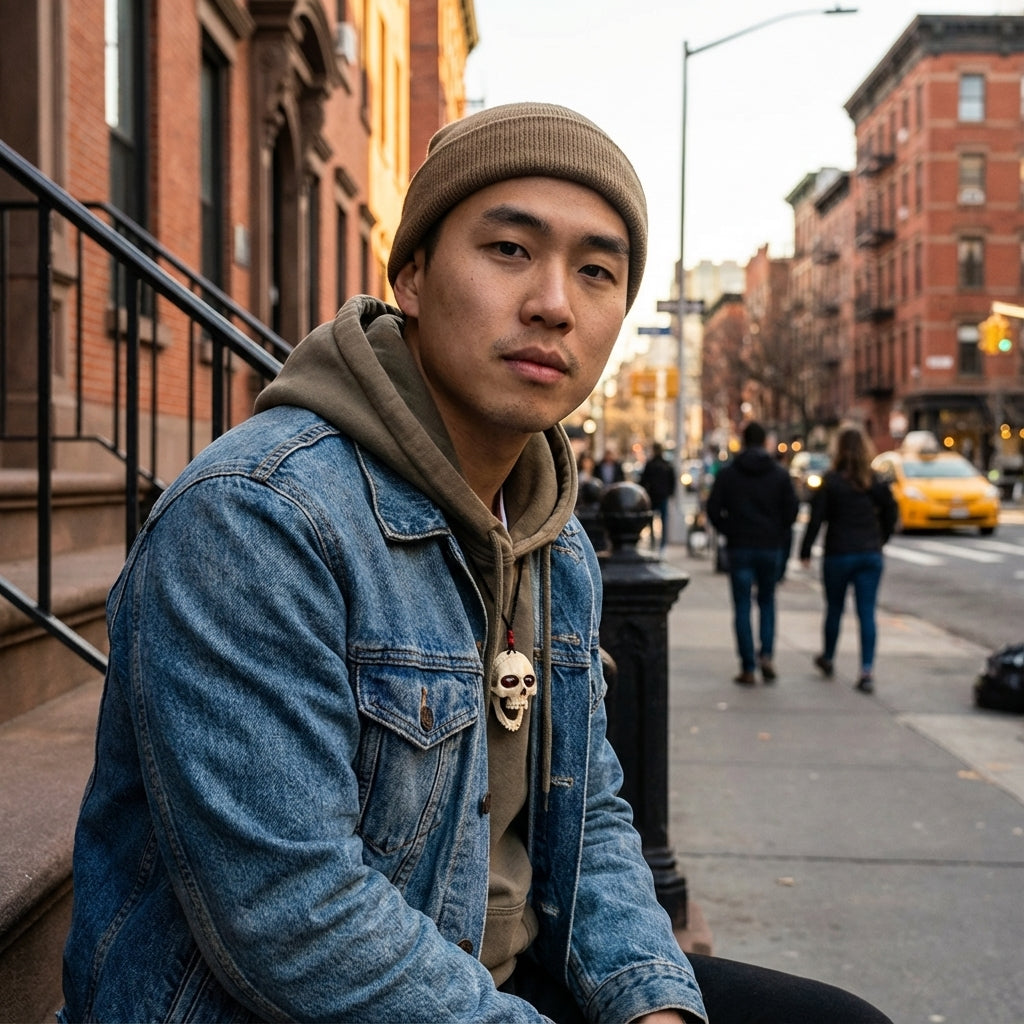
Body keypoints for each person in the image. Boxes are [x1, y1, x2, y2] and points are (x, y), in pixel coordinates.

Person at [60, 103, 891, 1024]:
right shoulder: (258, 519)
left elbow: (590, 821)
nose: (554, 303)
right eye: (508, 250)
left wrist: (653, 1004)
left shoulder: (551, 536)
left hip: (494, 973)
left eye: (598, 271)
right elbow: (292, 915)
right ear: (411, 275)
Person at [799, 425, 898, 693]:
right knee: (867, 613)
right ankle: (866, 670)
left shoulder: (831, 481)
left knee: (834, 609)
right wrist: (881, 539)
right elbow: (891, 511)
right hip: (869, 553)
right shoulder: (875, 481)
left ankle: (829, 657)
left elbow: (816, 518)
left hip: (838, 554)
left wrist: (805, 550)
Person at [706, 422, 799, 686]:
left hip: (740, 547)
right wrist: (777, 532)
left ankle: (748, 666)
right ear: (765, 441)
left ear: (744, 441)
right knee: (767, 601)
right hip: (770, 547)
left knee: (742, 606)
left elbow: (713, 509)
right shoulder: (780, 474)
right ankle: (766, 655)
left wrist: (729, 530)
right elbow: (791, 512)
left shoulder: (729, 473)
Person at [640, 442, 677, 549]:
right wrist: (669, 492)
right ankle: (661, 544)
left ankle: (653, 543)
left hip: (653, 496)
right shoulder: (666, 465)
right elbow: (672, 481)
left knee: (651, 520)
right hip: (661, 496)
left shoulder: (651, 464)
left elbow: (643, 481)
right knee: (663, 520)